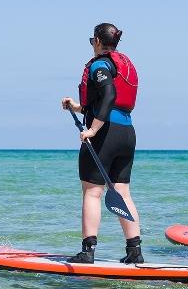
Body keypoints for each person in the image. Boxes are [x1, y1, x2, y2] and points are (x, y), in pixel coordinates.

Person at [60, 23, 143, 264]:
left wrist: (92, 130)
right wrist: (76, 106)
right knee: (122, 192)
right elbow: (106, 100)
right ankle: (134, 250)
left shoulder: (99, 64)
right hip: (126, 133)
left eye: (91, 41)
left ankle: (87, 252)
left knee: (92, 192)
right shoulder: (123, 64)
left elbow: (109, 97)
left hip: (105, 133)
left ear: (97, 40)